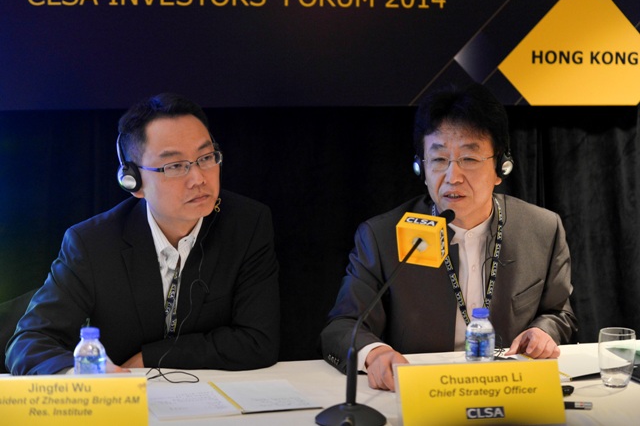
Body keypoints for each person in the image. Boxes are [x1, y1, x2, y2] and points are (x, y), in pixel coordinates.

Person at [319, 83, 577, 391]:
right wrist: (374, 354)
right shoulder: (382, 236)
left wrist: (544, 331)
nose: (453, 177)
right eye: (439, 160)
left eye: (469, 159)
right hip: (421, 389)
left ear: (501, 168)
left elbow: (558, 312)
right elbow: (343, 326)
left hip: (509, 387)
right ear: (421, 168)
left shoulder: (542, 229)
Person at [6, 93, 280, 375]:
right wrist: (79, 379)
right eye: (175, 166)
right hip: (123, 395)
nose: (199, 178)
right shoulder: (93, 243)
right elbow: (29, 342)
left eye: (206, 157)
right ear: (133, 182)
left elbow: (259, 340)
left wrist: (150, 357)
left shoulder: (247, 224)